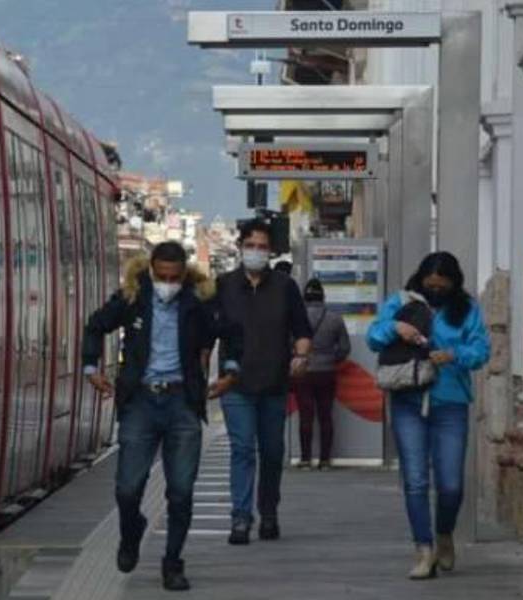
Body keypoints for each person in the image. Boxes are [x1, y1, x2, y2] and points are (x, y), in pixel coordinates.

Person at [82, 241, 221, 592]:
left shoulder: (198, 301)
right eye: (162, 276)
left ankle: (173, 563)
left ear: (184, 274)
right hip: (141, 401)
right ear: (151, 270)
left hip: (182, 403)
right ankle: (132, 532)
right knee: (128, 488)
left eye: (175, 278)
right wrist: (90, 367)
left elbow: (229, 332)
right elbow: (95, 325)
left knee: (181, 492)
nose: (168, 284)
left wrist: (230, 370)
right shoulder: (133, 297)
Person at [367, 252, 490, 580]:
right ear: (421, 279)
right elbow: (373, 337)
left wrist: (454, 354)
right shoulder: (402, 302)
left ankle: (444, 532)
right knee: (416, 480)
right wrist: (396, 327)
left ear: (453, 283)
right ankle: (423, 549)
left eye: (442, 284)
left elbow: (481, 351)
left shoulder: (467, 310)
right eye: (430, 283)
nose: (435, 289)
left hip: (450, 403)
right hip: (408, 399)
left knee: (450, 484)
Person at [207, 219, 313, 545]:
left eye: (262, 246)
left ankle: (268, 512)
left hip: (274, 384)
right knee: (241, 449)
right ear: (240, 248)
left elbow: (303, 330)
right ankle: (240, 518)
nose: (256, 251)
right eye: (250, 245)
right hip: (235, 384)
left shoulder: (285, 286)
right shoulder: (222, 286)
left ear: (270, 251)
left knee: (271, 451)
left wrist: (301, 355)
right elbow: (204, 334)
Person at [295, 279, 351, 470]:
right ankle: (325, 460)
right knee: (325, 415)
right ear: (323, 296)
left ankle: (304, 459)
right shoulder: (335, 318)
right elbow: (345, 348)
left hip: (303, 371)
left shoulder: (297, 317)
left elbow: (287, 344)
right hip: (327, 372)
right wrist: (331, 359)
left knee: (305, 415)